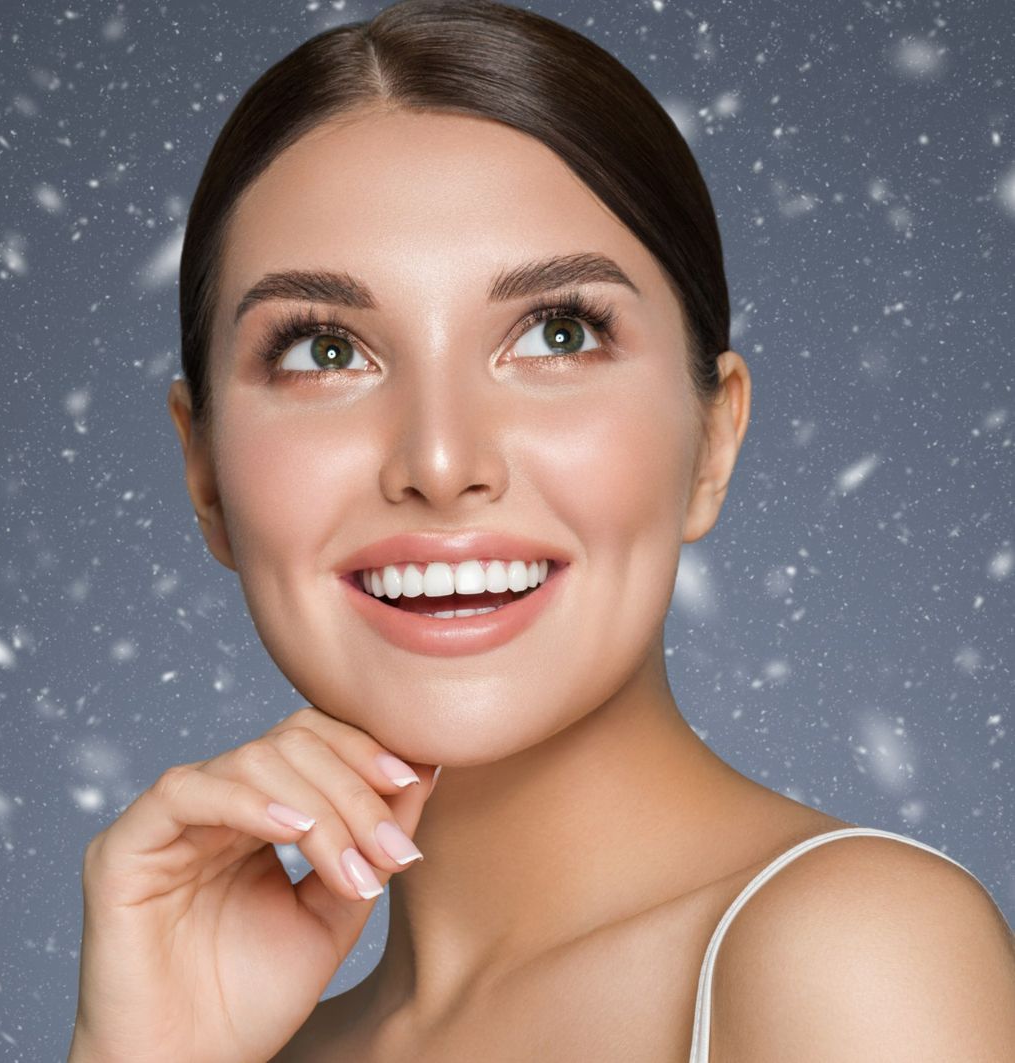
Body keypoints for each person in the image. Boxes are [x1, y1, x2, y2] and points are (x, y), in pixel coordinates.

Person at [69, 1, 1015, 1059]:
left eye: (557, 333)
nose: (439, 462)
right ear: (204, 473)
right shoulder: (242, 1036)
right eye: (326, 353)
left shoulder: (852, 952)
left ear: (711, 440)